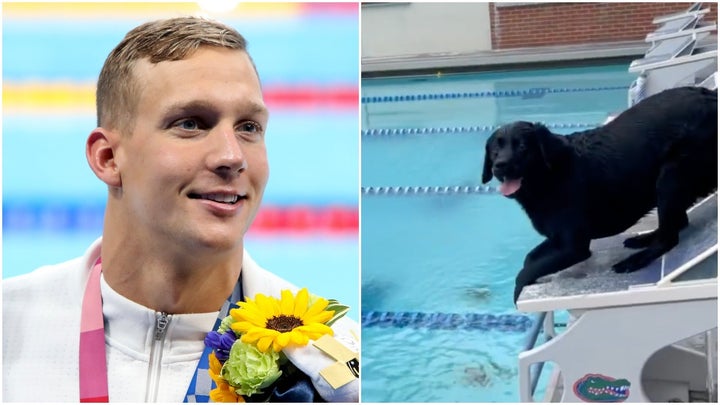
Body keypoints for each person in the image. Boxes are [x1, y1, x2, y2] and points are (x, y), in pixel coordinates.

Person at [2, 16, 359, 402]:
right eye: (191, 123)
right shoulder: (10, 328)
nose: (231, 156)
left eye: (249, 127)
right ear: (107, 158)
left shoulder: (329, 371)